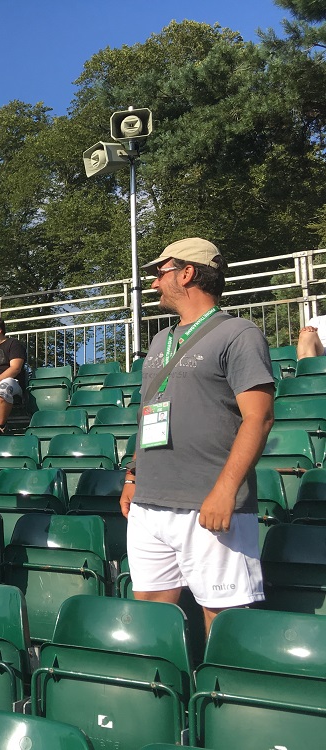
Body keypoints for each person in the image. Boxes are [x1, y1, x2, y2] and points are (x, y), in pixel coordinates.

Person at [120, 237, 274, 636]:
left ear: (187, 273)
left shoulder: (239, 333)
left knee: (225, 620)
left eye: (160, 272)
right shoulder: (159, 340)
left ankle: (228, 695)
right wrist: (133, 476)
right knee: (151, 619)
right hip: (149, 504)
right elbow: (147, 414)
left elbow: (259, 418)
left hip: (209, 502)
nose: (154, 282)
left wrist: (225, 490)